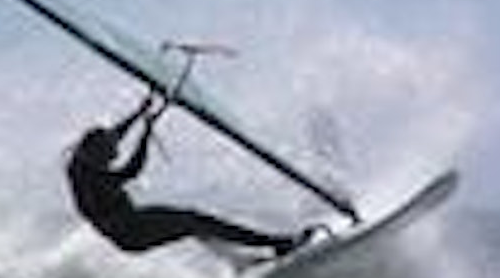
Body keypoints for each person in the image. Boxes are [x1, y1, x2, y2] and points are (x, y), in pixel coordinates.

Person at [66, 92, 315, 256]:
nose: (116, 152)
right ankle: (277, 244)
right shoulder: (91, 177)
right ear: (97, 151)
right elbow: (132, 170)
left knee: (193, 223)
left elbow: (114, 135)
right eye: (111, 151)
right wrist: (147, 131)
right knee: (194, 221)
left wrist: (139, 112)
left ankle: (238, 259)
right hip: (132, 232)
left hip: (133, 224)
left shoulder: (86, 158)